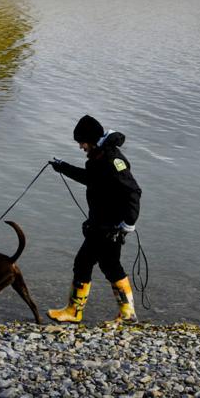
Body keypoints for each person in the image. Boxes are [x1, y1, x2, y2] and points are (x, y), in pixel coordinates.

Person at [47, 114, 142, 323]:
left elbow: (133, 191)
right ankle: (127, 314)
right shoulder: (100, 156)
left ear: (90, 139)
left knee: (83, 263)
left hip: (109, 226)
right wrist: (63, 167)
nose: (81, 146)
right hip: (101, 223)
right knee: (110, 265)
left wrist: (129, 223)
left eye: (81, 142)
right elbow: (91, 179)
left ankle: (74, 311)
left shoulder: (112, 160)